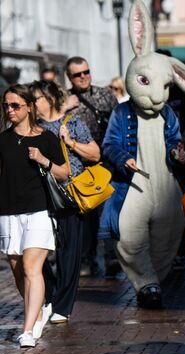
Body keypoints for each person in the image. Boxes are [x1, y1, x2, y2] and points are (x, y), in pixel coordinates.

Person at [0, 84, 69, 347]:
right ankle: (37, 311)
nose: (10, 110)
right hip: (7, 212)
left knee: (31, 267)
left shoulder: (47, 138)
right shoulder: (3, 140)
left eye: (15, 105)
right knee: (19, 273)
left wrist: (43, 160)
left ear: (29, 107)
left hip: (39, 211)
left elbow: (65, 173)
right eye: (6, 105)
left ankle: (27, 330)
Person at [30, 80, 100, 324]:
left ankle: (62, 305)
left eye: (36, 99)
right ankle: (50, 295)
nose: (32, 104)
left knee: (69, 251)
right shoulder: (32, 128)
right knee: (36, 248)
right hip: (39, 196)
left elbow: (95, 153)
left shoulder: (73, 123)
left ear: (49, 99)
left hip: (69, 194)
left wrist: (70, 142)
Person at [64, 56, 119, 277]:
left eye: (86, 72)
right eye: (77, 74)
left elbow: (118, 123)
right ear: (69, 77)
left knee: (108, 210)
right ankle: (87, 259)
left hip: (106, 161)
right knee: (85, 214)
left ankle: (111, 257)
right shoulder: (64, 100)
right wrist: (64, 106)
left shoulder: (105, 95)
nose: (83, 77)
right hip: (79, 165)